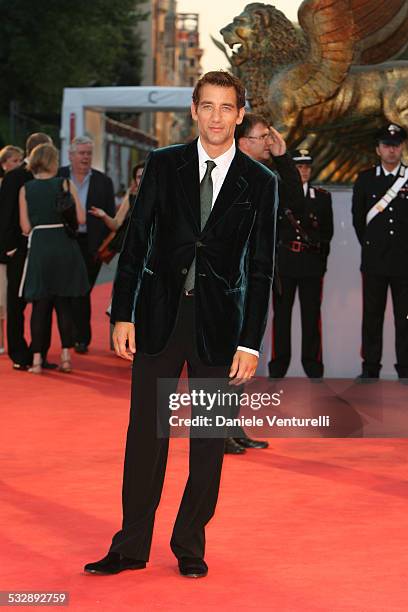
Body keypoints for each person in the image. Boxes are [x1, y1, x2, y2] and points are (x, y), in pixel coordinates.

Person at [84, 71, 278, 578]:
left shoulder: (261, 183)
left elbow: (261, 269)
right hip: (158, 317)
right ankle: (130, 546)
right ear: (193, 110)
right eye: (207, 106)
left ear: (240, 114)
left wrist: (250, 342)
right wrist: (122, 312)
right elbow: (136, 242)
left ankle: (190, 544)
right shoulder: (164, 164)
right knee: (145, 436)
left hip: (220, 325)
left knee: (208, 442)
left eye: (226, 107)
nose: (216, 117)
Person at [230, 112, 305, 453]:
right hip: (227, 282)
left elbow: (296, 201)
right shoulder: (227, 173)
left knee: (242, 357)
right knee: (220, 360)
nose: (268, 141)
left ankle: (231, 427)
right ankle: (217, 433)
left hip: (254, 282)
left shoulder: (263, 176)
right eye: (262, 137)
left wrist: (283, 155)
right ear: (243, 141)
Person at [19, 144, 89, 374]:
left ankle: (37, 360)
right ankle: (66, 357)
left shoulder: (25, 188)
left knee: (40, 306)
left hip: (40, 248)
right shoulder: (65, 183)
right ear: (53, 161)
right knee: (64, 304)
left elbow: (26, 227)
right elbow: (79, 218)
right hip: (64, 247)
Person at [268, 149, 333, 379]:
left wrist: (321, 264)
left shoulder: (322, 197)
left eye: (307, 166)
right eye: (299, 167)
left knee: (311, 316)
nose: (303, 170)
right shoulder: (279, 195)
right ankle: (278, 366)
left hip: (311, 265)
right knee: (281, 317)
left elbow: (327, 234)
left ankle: (313, 366)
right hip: (285, 265)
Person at [352, 124, 408, 383]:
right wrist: (372, 246)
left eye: (396, 145)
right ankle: (370, 367)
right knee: (371, 317)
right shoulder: (365, 179)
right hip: (374, 262)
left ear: (402, 148)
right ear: (378, 149)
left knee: (404, 318)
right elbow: (358, 220)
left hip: (404, 262)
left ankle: (405, 368)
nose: (391, 150)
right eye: (386, 145)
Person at [0, 133, 56, 370]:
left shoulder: (52, 177)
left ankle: (39, 352)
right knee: (17, 303)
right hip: (20, 251)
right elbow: (4, 216)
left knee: (44, 301)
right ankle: (19, 354)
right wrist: (9, 249)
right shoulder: (14, 177)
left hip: (45, 250)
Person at [59, 136, 115, 354]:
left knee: (83, 290)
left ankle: (81, 337)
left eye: (89, 153)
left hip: (91, 245)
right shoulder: (59, 176)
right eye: (81, 153)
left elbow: (109, 216)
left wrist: (101, 245)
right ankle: (74, 336)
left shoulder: (103, 181)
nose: (85, 157)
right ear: (70, 155)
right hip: (65, 241)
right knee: (67, 290)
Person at [0, 145, 24, 354]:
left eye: (20, 160)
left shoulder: (16, 182)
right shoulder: (8, 183)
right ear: (4, 163)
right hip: (6, 249)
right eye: (15, 160)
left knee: (6, 297)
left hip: (8, 250)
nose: (18, 164)